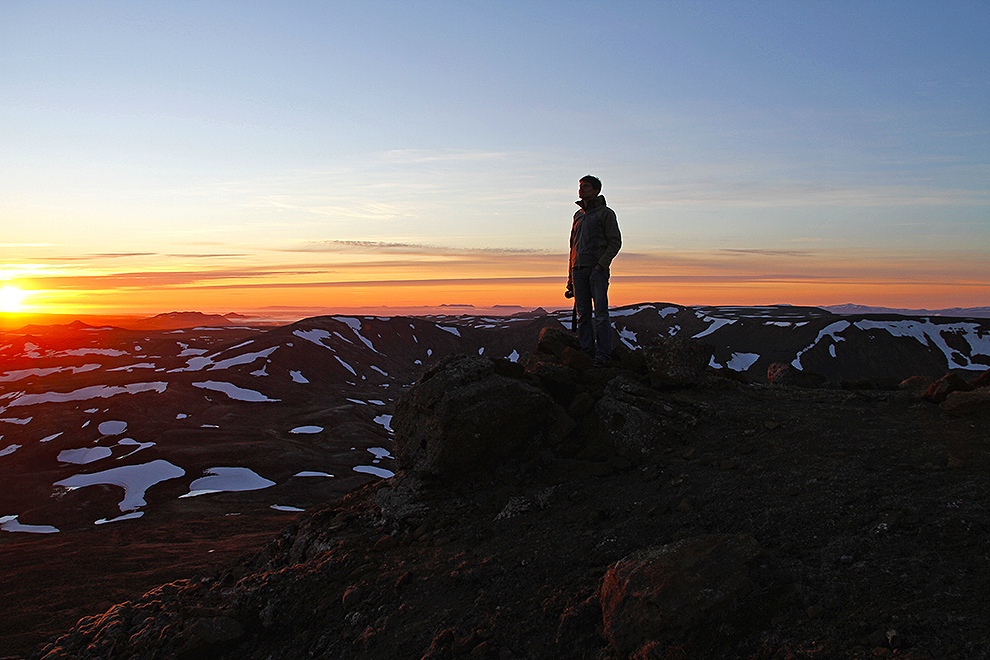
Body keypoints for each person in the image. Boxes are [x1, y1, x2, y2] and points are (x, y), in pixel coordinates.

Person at [565, 175, 621, 364]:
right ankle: (586, 351)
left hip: (596, 270)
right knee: (583, 315)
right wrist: (570, 277)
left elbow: (615, 242)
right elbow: (573, 247)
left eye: (586, 186)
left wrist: (601, 265)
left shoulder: (606, 213)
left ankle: (604, 354)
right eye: (580, 186)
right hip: (578, 270)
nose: (581, 189)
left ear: (596, 190)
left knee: (601, 314)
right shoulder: (578, 216)